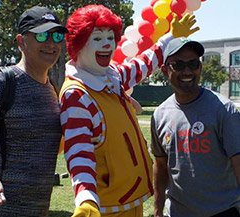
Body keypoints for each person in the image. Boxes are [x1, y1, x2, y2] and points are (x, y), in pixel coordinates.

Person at [60, 4, 199, 217]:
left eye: (110, 37)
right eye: (97, 38)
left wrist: (171, 36)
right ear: (78, 44)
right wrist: (86, 198)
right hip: (106, 207)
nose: (106, 44)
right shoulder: (76, 94)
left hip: (129, 198)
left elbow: (143, 65)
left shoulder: (110, 75)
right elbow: (79, 152)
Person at [0, 5, 68, 217]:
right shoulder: (0, 84)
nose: (51, 43)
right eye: (41, 35)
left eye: (56, 36)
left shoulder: (53, 89)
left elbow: (48, 147)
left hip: (38, 210)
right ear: (21, 42)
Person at [151, 37, 240, 217]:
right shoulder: (160, 114)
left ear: (200, 68)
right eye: (178, 65)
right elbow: (160, 166)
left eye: (193, 64)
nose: (187, 71)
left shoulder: (224, 110)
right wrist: (158, 210)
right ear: (164, 69)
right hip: (176, 212)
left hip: (222, 212)